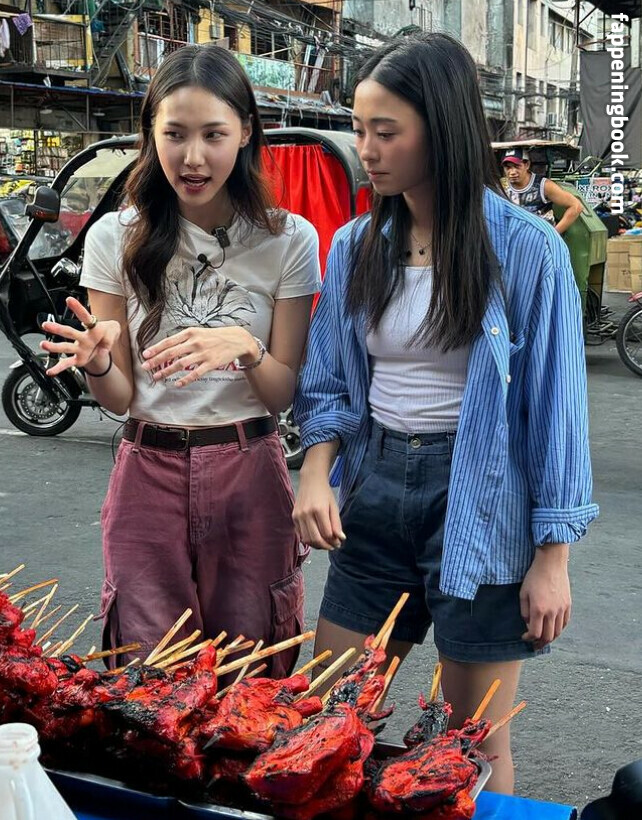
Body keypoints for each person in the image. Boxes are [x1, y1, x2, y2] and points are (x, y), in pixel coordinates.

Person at [292, 32, 598, 794]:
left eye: (385, 131)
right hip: (374, 492)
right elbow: (326, 384)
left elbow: (556, 409)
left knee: (472, 748)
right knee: (326, 718)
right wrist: (316, 474)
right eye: (359, 129)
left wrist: (553, 559)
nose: (366, 150)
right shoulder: (356, 245)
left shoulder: (526, 249)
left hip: (483, 503)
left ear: (443, 130)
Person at [40, 43, 321, 677]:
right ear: (151, 135)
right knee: (148, 678)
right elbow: (120, 399)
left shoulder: (288, 239)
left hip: (250, 470)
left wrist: (246, 346)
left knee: (252, 674)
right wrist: (97, 362)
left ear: (245, 132)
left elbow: (280, 392)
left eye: (213, 135)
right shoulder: (115, 235)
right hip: (148, 472)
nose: (193, 158)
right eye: (175, 135)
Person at [502, 147, 583, 234]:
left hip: (540, 237)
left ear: (527, 165)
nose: (512, 172)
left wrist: (553, 234)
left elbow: (576, 206)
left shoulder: (544, 185)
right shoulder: (501, 187)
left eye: (517, 166)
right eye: (508, 167)